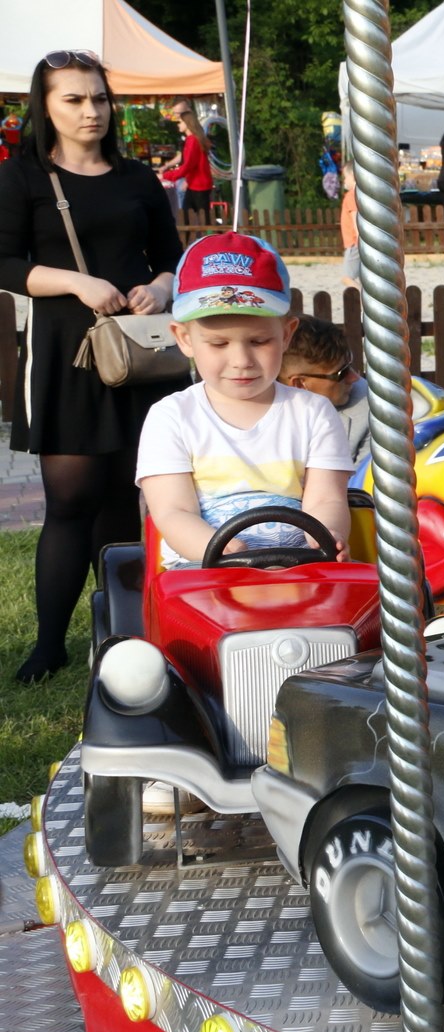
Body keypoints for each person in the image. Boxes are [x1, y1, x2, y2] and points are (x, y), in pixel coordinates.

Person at [0, 50, 185, 682]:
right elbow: (3, 263)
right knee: (71, 499)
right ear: (45, 106)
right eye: (74, 100)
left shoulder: (137, 179)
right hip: (66, 356)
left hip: (141, 355)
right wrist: (76, 283)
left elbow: (172, 256)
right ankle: (50, 644)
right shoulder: (23, 177)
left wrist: (160, 290)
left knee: (129, 499)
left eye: (99, 99)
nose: (91, 111)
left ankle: (120, 636)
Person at [137, 231, 353, 569]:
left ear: (286, 334)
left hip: (299, 563)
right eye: (219, 344)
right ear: (184, 338)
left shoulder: (313, 412)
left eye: (258, 341)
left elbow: (326, 497)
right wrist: (227, 551)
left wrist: (328, 534)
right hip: (203, 567)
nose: (241, 360)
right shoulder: (172, 417)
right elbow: (173, 511)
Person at [279, 313, 369, 465]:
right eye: (341, 373)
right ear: (300, 384)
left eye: (350, 365)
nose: (354, 378)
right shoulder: (251, 414)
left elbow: (364, 480)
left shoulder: (369, 405)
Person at [160, 99, 213, 217]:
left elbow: (188, 165)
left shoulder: (193, 140)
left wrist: (165, 175)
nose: (177, 124)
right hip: (195, 184)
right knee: (187, 217)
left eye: (179, 122)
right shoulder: (192, 140)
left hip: (199, 185)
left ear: (187, 123)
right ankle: (189, 235)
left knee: (203, 219)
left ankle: (214, 235)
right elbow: (189, 162)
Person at [339, 160, 358, 287]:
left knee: (347, 278)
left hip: (355, 243)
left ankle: (364, 299)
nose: (344, 181)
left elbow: (355, 218)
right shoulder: (362, 194)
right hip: (359, 242)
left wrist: (358, 239)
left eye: (345, 177)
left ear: (353, 175)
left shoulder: (351, 195)